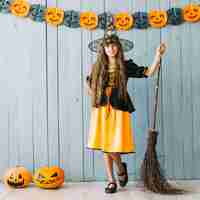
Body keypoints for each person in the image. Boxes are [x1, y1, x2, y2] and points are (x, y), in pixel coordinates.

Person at [86, 28, 166, 194]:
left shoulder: (125, 65)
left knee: (112, 146)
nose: (111, 49)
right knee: (104, 145)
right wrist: (96, 93)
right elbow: (89, 83)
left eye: (114, 46)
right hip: (101, 109)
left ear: (118, 48)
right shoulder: (98, 66)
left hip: (119, 108)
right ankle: (111, 180)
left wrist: (157, 55)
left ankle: (121, 168)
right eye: (107, 46)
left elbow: (148, 72)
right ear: (103, 49)